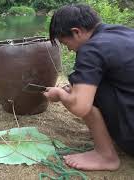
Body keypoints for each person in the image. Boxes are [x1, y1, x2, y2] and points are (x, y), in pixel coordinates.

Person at [44, 4, 134, 171]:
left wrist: (61, 94)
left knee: (78, 94)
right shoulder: (122, 32)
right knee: (82, 87)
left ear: (76, 32)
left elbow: (80, 107)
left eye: (65, 43)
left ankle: (105, 156)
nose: (69, 49)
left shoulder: (91, 49)